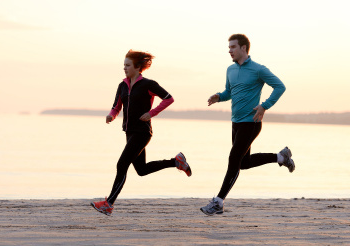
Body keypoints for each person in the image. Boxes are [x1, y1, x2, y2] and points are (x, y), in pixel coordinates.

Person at [200, 34, 295, 216]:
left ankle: (218, 202)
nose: (230, 51)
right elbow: (230, 91)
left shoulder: (258, 69)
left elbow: (280, 86)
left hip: (251, 123)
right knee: (243, 163)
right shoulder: (230, 69)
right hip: (236, 123)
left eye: (233, 47)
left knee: (233, 159)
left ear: (244, 48)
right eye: (229, 47)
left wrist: (264, 105)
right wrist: (219, 96)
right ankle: (281, 157)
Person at [91, 49, 192, 216]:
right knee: (142, 170)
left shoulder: (148, 84)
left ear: (138, 67)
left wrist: (151, 113)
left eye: (128, 65)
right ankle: (176, 162)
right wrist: (111, 115)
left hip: (142, 132)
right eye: (123, 65)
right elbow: (117, 106)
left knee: (121, 164)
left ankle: (109, 204)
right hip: (129, 132)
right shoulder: (122, 85)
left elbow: (168, 98)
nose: (124, 68)